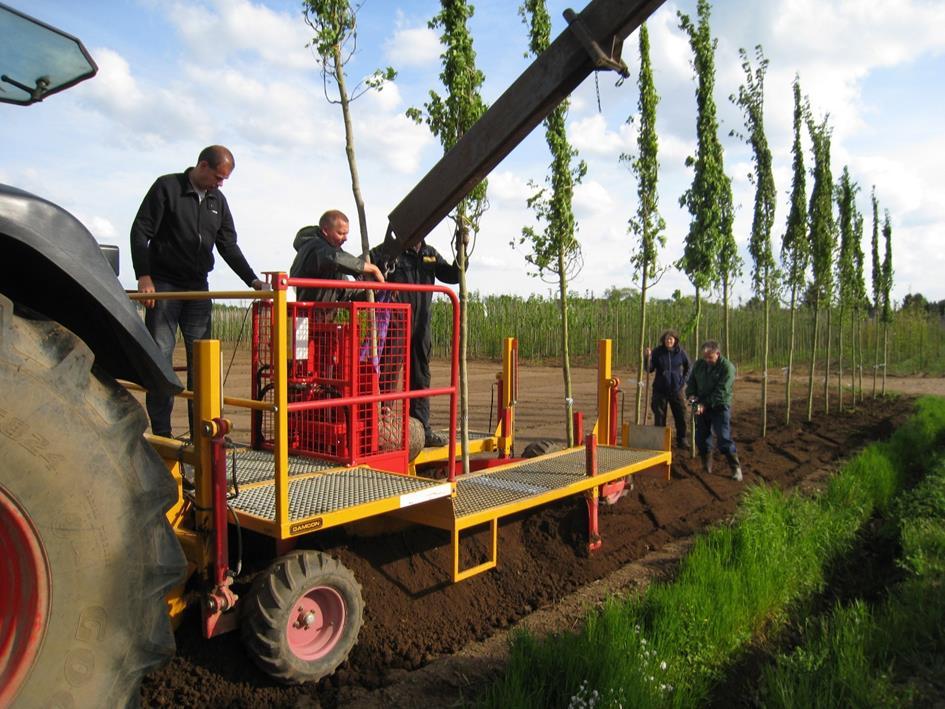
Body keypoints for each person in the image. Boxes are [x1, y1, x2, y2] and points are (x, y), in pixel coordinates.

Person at [131, 145, 267, 439]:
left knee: (202, 363)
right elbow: (141, 231)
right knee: (161, 359)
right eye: (218, 177)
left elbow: (228, 245)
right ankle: (163, 436)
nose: (221, 183)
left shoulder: (218, 200)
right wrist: (144, 276)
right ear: (202, 166)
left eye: (224, 179)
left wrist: (252, 280)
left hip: (197, 287)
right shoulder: (168, 187)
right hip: (164, 287)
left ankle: (201, 437)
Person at [375, 239, 460, 448]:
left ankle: (422, 429)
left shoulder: (430, 253)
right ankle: (381, 429)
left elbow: (453, 276)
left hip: (422, 325)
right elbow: (362, 267)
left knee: (420, 375)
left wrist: (461, 252)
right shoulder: (390, 251)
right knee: (388, 373)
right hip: (395, 322)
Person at [289, 210, 384, 302]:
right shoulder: (316, 248)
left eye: (346, 234)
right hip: (304, 314)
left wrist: (374, 292)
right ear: (325, 231)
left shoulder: (332, 259)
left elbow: (345, 292)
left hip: (321, 315)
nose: (345, 238)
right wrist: (372, 268)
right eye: (341, 233)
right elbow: (336, 258)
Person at [685, 339, 742, 481]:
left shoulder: (727, 368)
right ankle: (706, 467)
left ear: (718, 353)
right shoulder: (699, 365)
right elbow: (690, 385)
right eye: (705, 357)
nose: (707, 360)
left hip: (719, 406)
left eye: (710, 357)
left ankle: (735, 468)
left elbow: (721, 391)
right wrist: (693, 402)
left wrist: (702, 404)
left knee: (723, 437)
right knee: (701, 438)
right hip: (701, 406)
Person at [644, 329, 691, 448]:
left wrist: (683, 381)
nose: (668, 341)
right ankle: (661, 441)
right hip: (660, 390)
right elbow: (649, 369)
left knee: (681, 415)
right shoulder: (657, 352)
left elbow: (688, 367)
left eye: (671, 339)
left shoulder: (680, 352)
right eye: (666, 339)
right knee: (659, 416)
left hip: (676, 389)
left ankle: (682, 439)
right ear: (663, 341)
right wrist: (647, 358)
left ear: (675, 340)